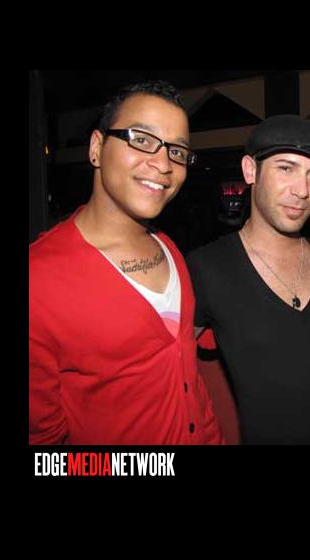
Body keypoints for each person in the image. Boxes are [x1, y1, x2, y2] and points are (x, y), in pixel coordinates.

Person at [29, 81, 224, 445]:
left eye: (177, 151)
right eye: (141, 139)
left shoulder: (170, 249)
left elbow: (190, 383)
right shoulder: (38, 279)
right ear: (97, 148)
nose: (163, 164)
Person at [186, 115, 310, 444]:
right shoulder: (207, 268)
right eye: (286, 168)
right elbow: (168, 373)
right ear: (251, 170)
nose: (302, 191)